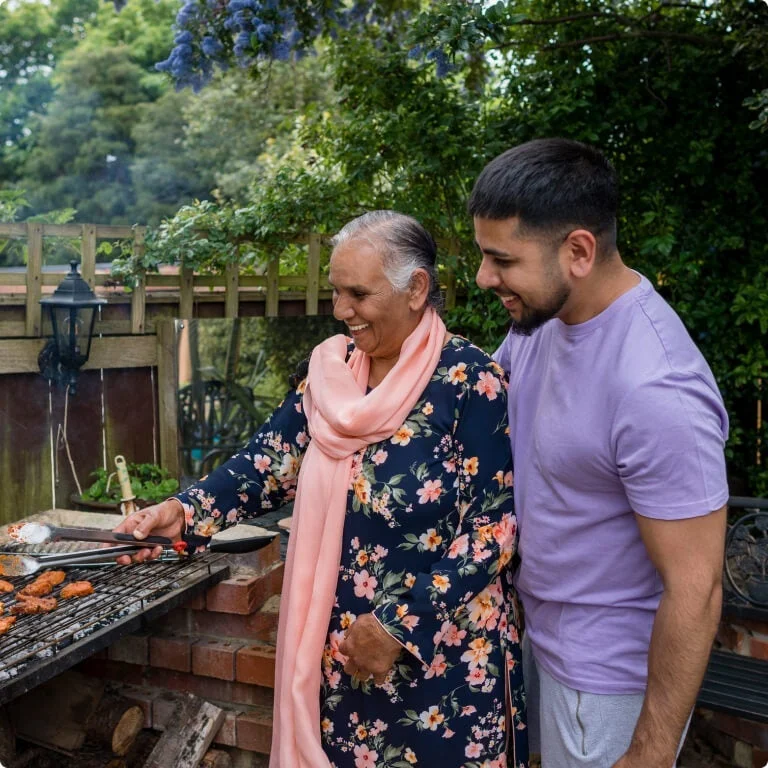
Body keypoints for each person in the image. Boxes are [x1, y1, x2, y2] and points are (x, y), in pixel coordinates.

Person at [115, 211, 528, 768]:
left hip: (445, 669)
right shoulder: (332, 376)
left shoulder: (470, 382)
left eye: (358, 293)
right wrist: (182, 512)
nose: (341, 311)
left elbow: (493, 532)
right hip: (346, 665)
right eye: (336, 292)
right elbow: (266, 463)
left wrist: (397, 627)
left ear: (417, 290)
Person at [468, 138, 729, 768]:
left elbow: (697, 589)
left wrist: (649, 751)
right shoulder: (542, 320)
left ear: (578, 251)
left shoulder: (656, 387)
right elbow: (480, 403)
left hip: (607, 686)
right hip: (540, 639)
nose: (483, 277)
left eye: (502, 259)